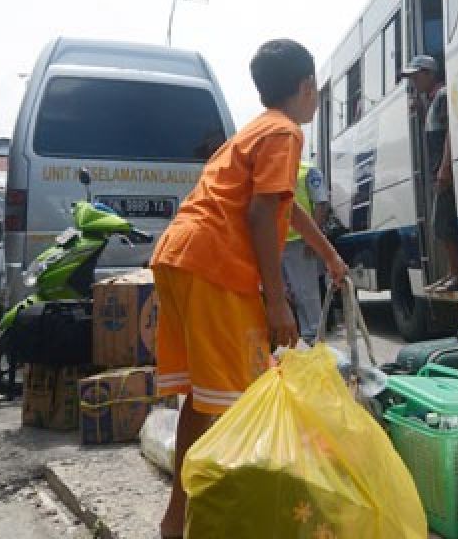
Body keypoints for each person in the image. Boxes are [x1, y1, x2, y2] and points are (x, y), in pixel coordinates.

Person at [149, 38, 348, 539]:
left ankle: (177, 521)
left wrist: (327, 254)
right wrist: (277, 301)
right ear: (306, 88)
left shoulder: (255, 131)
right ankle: (226, 517)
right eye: (317, 91)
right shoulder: (285, 132)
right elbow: (262, 214)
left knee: (204, 396)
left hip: (179, 258)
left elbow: (285, 206)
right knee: (235, 400)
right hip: (215, 266)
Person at [403, 54, 458, 292]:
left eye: (416, 76)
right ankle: (452, 272)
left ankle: (457, 275)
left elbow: (451, 132)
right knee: (442, 225)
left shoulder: (443, 95)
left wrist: (445, 168)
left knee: (443, 224)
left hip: (444, 172)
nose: (413, 82)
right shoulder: (432, 100)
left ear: (429, 74)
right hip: (439, 170)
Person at [282, 161, 331, 344]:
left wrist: (313, 238)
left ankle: (314, 337)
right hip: (278, 240)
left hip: (300, 242)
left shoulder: (308, 170)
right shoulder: (275, 167)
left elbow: (321, 203)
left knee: (306, 292)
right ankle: (302, 335)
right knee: (289, 292)